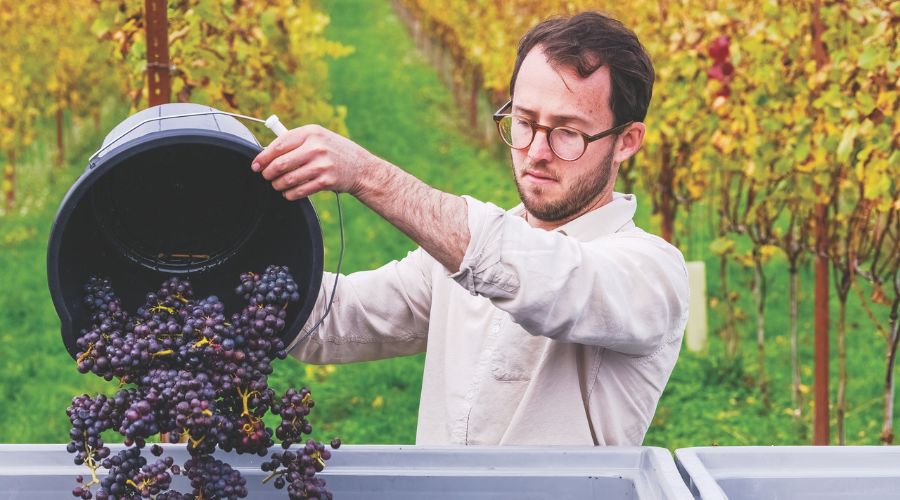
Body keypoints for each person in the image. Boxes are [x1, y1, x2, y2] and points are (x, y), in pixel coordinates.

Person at [251, 11, 689, 446]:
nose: (536, 151)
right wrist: (209, 268)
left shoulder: (651, 274)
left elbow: (548, 281)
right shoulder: (455, 256)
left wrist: (369, 175)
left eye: (568, 132)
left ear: (626, 141)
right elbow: (332, 320)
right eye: (525, 121)